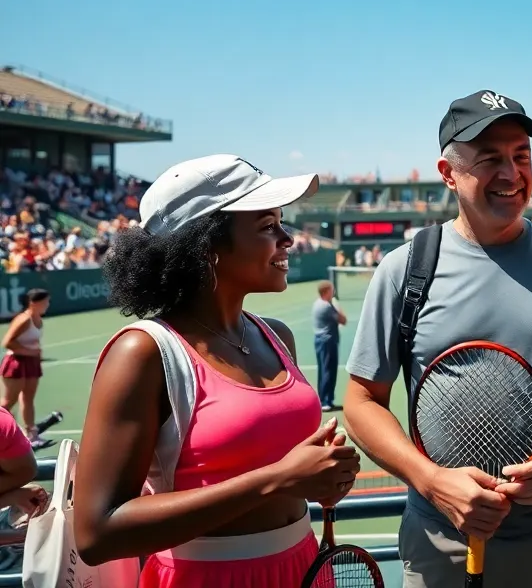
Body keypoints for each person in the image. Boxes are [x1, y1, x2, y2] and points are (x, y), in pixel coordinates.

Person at [342, 90, 532, 588]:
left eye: (521, 156)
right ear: (448, 172)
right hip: (441, 538)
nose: (511, 173)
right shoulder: (404, 270)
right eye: (490, 159)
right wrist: (432, 482)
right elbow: (361, 403)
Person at [72, 154, 360, 587]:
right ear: (206, 246)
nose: (288, 238)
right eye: (267, 226)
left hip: (305, 567)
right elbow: (97, 532)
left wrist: (321, 478)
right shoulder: (143, 353)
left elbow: (289, 470)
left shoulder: (278, 336)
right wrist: (280, 478)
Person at [1, 289, 50, 449]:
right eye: (45, 302)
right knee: (9, 401)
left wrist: (35, 354)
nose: (47, 305)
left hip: (31, 363)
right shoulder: (23, 319)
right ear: (33, 303)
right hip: (16, 363)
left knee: (28, 399)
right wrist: (30, 352)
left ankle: (31, 435)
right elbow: (7, 342)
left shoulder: (38, 319)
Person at [311, 280, 347, 411]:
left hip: (320, 341)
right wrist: (336, 304)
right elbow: (343, 320)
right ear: (326, 292)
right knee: (328, 371)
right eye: (332, 290)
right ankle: (326, 401)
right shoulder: (327, 306)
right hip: (327, 342)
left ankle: (323, 399)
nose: (334, 292)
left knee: (323, 370)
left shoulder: (317, 304)